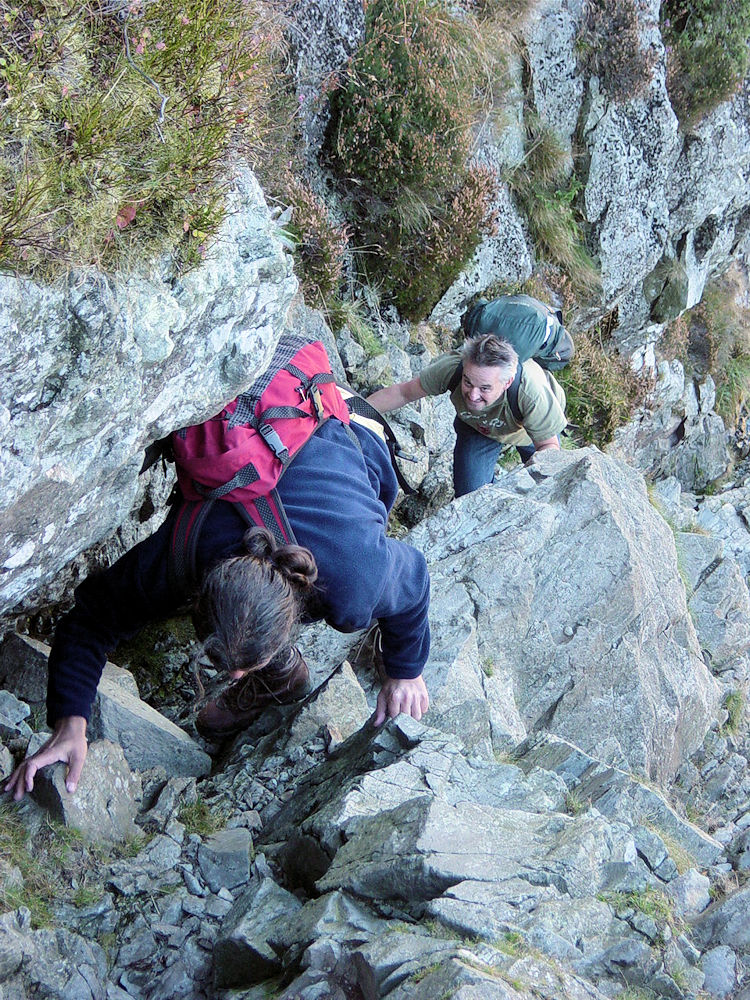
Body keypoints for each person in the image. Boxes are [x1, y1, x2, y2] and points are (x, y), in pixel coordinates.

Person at [5, 415, 430, 801]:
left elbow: (414, 580)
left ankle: (279, 669)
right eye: (224, 660)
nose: (232, 676)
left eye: (245, 667)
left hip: (349, 429)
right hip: (265, 429)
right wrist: (69, 723)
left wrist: (405, 670)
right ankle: (280, 672)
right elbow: (92, 618)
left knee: (354, 578)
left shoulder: (355, 585)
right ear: (195, 594)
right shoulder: (184, 552)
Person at [366, 333, 567, 497]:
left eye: (485, 388)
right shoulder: (452, 368)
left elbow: (548, 449)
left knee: (546, 488)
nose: (473, 395)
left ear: (507, 383)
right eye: (468, 382)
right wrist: (355, 411)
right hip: (477, 428)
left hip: (529, 433)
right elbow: (403, 393)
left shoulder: (530, 394)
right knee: (469, 496)